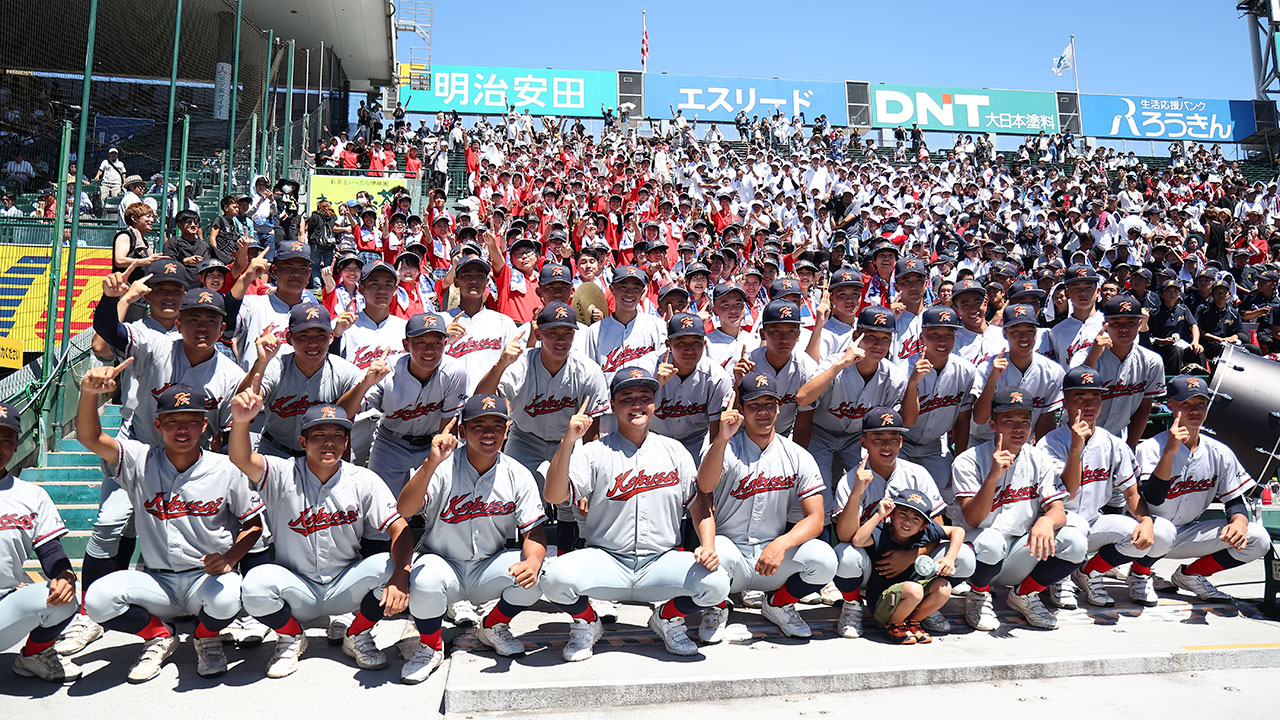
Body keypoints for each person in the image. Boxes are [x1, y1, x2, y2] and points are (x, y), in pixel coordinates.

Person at [76, 375, 265, 682]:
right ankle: (159, 635)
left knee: (229, 597)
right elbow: (90, 438)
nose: (182, 429)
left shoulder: (226, 468)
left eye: (191, 421)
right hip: (157, 582)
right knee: (97, 599)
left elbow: (253, 524)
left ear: (204, 425)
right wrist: (88, 393)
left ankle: (206, 637)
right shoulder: (139, 459)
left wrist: (231, 558)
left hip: (206, 580)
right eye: (172, 420)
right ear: (158, 424)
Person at [541, 368, 730, 661]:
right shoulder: (594, 451)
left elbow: (699, 506)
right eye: (627, 398)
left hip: (660, 561)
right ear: (613, 405)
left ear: (655, 403)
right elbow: (554, 496)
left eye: (644, 397)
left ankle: (667, 618)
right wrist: (568, 442)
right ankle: (587, 622)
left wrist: (708, 546)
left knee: (717, 583)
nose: (637, 404)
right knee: (553, 577)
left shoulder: (674, 450)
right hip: (607, 560)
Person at [228, 397, 412, 679]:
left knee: (391, 568)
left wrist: (400, 574)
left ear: (346, 443)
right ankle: (291, 637)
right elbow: (241, 458)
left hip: (346, 585)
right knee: (254, 585)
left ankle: (357, 634)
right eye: (320, 434)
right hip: (296, 585)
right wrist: (241, 422)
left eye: (338, 435)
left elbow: (399, 528)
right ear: (303, 441)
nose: (329, 442)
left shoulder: (363, 479)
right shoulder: (282, 473)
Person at [395, 394, 548, 684]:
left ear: (507, 431)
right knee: (425, 579)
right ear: (462, 431)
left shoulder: (517, 474)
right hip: (443, 563)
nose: (489, 432)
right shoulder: (441, 466)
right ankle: (431, 646)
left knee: (540, 572)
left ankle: (493, 626)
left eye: (497, 425)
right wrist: (430, 462)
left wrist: (532, 561)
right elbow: (405, 509)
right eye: (479, 425)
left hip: (488, 566)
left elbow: (534, 533)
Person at [697, 370, 837, 642]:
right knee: (715, 550)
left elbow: (816, 518)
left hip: (771, 558)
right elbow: (705, 486)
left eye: (768, 404)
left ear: (778, 407)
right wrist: (721, 439)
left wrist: (782, 543)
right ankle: (717, 605)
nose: (763, 411)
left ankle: (778, 604)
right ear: (741, 409)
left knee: (824, 558)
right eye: (754, 405)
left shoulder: (796, 454)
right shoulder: (724, 447)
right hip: (730, 555)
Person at [1037, 366, 1175, 608]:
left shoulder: (1113, 443)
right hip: (1055, 529)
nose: (1088, 404)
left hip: (1092, 522)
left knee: (1159, 532)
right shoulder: (1048, 444)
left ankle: (1089, 572)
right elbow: (1069, 491)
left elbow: (1131, 493)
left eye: (1095, 397)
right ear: (1065, 402)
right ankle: (1058, 577)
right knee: (1076, 525)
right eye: (1080, 397)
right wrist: (1076, 448)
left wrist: (1145, 521)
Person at [830, 408, 975, 638]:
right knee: (844, 555)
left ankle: (921, 609)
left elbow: (936, 528)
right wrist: (857, 492)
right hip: (870, 561)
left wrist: (911, 555)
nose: (886, 446)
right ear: (863, 442)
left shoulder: (918, 474)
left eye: (893, 438)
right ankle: (853, 605)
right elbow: (847, 537)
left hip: (911, 559)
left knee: (964, 557)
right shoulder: (851, 479)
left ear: (901, 442)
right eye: (878, 438)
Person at [951, 388, 1088, 631]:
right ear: (993, 425)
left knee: (1075, 542)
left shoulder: (1039, 459)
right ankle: (978, 595)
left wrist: (1047, 521)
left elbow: (1058, 509)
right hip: (975, 554)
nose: (1018, 428)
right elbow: (973, 519)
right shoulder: (968, 460)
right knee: (991, 541)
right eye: (1009, 421)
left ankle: (1024, 594)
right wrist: (992, 477)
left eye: (1024, 421)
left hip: (1017, 551)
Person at [1134, 375, 1270, 602]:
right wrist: (1169, 453)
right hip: (1148, 533)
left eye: (1201, 403)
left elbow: (1234, 501)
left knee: (1259, 538)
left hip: (1187, 532)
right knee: (1162, 530)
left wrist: (1239, 522)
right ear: (1170, 405)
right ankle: (1139, 573)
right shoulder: (1151, 448)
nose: (1194, 410)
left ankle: (1191, 575)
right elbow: (1154, 497)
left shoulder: (1219, 451)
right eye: (1186, 403)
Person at [0, 401, 82, 682]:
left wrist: (64, 575)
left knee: (64, 597)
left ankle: (33, 656)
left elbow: (50, 551)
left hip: (4, 606)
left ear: (15, 445)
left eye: (6, 439)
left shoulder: (31, 495)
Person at [237, 303, 366, 459]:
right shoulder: (276, 367)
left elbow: (347, 418)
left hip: (323, 456)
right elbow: (242, 402)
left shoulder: (346, 372)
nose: (313, 343)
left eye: (321, 335)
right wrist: (261, 362)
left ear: (331, 337)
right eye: (303, 335)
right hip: (274, 450)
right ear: (289, 338)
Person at [359, 311, 467, 496]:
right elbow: (349, 410)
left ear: (445, 344)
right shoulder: (388, 370)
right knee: (381, 503)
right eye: (421, 342)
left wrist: (442, 461)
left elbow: (448, 426)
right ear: (406, 345)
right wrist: (365, 383)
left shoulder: (455, 371)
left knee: (437, 502)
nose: (429, 349)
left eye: (436, 342)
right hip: (391, 443)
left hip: (432, 441)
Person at [852, 490, 962, 644]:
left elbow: (958, 530)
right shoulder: (883, 532)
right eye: (903, 514)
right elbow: (858, 540)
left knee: (943, 588)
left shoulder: (925, 532)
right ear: (892, 514)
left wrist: (950, 558)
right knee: (914, 590)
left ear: (923, 526)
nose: (908, 522)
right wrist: (879, 514)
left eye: (916, 519)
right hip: (882, 602)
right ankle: (894, 625)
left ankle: (912, 622)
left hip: (912, 598)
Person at [619, 312, 732, 460]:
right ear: (668, 344)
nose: (689, 349)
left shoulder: (716, 377)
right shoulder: (646, 368)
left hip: (695, 444)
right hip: (650, 439)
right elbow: (627, 412)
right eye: (681, 342)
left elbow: (716, 432)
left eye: (695, 342)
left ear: (704, 345)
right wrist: (654, 385)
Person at [1072, 294, 1165, 447]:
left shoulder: (1151, 361)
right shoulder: (1084, 355)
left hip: (1117, 440)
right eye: (1116, 322)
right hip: (1076, 436)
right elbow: (1075, 395)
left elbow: (1144, 407)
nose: (1124, 328)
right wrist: (1093, 357)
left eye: (1131, 322)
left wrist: (1130, 446)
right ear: (1105, 325)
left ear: (1140, 323)